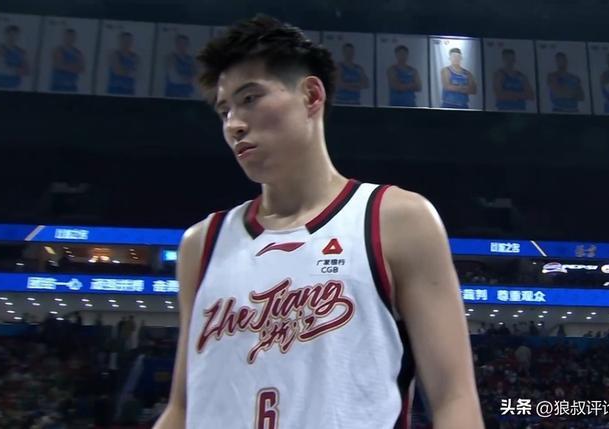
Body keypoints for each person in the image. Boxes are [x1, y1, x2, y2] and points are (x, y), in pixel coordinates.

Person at [153, 15, 483, 429]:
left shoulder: (396, 220)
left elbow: (454, 398)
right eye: (224, 110)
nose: (234, 124)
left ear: (311, 96)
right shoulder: (201, 243)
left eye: (250, 98)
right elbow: (181, 409)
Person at [0, 25, 30, 90]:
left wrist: (17, 70)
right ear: (5, 35)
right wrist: (18, 70)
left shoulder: (21, 52)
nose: (12, 37)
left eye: (15, 35)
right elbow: (1, 69)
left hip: (15, 87)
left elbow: (27, 71)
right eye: (10, 34)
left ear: (18, 36)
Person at [50, 28, 85, 92]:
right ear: (64, 37)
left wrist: (67, 66)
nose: (70, 39)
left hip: (72, 87)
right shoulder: (57, 50)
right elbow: (59, 66)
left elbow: (82, 69)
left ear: (75, 38)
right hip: (58, 87)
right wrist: (74, 67)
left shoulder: (78, 53)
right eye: (68, 36)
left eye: (72, 37)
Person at [164, 34, 197, 98]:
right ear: (176, 44)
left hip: (187, 93)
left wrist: (190, 79)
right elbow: (173, 77)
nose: (182, 46)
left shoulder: (191, 59)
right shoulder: (170, 57)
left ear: (188, 45)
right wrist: (187, 79)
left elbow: (195, 77)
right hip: (172, 93)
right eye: (180, 43)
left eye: (184, 44)